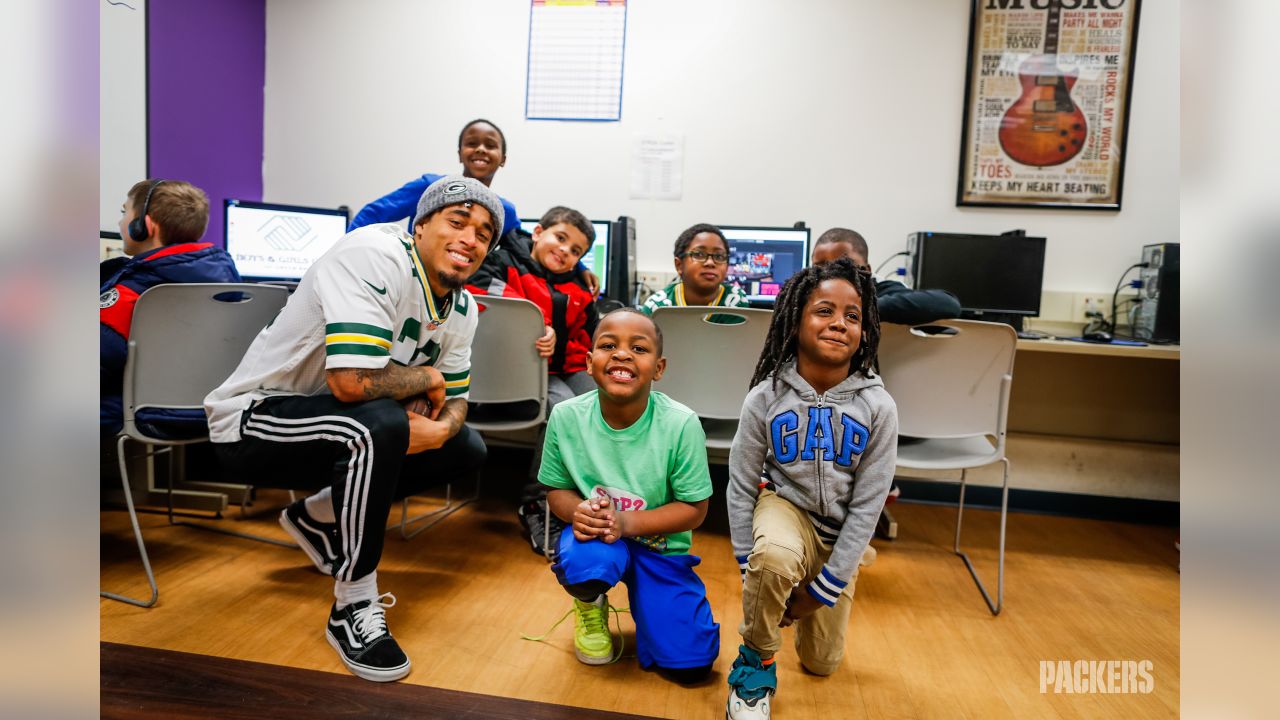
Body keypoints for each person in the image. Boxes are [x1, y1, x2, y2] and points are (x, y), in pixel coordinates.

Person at [203, 176, 503, 683]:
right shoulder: (373, 255)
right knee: (380, 424)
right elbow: (351, 382)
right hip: (256, 420)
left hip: (336, 426)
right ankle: (352, 605)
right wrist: (427, 377)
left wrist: (443, 430)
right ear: (422, 224)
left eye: (483, 233)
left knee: (466, 448)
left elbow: (457, 402)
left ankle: (318, 517)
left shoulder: (464, 308)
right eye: (457, 221)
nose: (470, 239)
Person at [724, 258, 898, 719]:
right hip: (786, 509)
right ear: (795, 318)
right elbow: (741, 484)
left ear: (866, 330)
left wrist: (819, 592)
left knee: (822, 663)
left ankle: (804, 595)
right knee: (772, 559)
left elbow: (868, 506)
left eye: (852, 315)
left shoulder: (878, 406)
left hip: (840, 534)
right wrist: (750, 565)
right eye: (824, 310)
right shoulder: (766, 396)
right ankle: (754, 665)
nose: (839, 323)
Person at [539, 308, 719, 682]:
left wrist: (627, 522)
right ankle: (590, 602)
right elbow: (556, 491)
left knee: (692, 665)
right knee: (587, 565)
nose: (622, 354)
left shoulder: (681, 424)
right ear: (589, 362)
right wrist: (580, 512)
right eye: (609, 345)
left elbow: (694, 510)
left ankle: (659, 612)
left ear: (659, 368)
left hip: (661, 548)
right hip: (599, 538)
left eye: (638, 348)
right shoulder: (565, 416)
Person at [466, 206, 601, 556]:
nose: (566, 252)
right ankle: (536, 502)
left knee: (607, 403)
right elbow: (479, 288)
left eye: (577, 252)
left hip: (563, 368)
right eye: (561, 239)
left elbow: (588, 335)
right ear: (538, 232)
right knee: (563, 410)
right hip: (518, 374)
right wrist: (537, 323)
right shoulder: (502, 262)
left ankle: (595, 497)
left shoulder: (579, 286)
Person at [101, 179, 241, 436]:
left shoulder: (134, 290)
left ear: (145, 226)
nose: (120, 223)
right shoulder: (230, 283)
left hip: (145, 412)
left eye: (124, 213)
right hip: (212, 410)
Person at [811, 227, 960, 326]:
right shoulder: (807, 291)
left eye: (842, 265)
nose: (828, 273)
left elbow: (948, 303)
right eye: (819, 266)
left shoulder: (879, 289)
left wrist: (858, 310)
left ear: (867, 271)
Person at [640, 223, 746, 315]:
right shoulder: (658, 306)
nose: (710, 263)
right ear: (679, 265)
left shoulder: (735, 300)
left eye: (719, 256)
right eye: (699, 254)